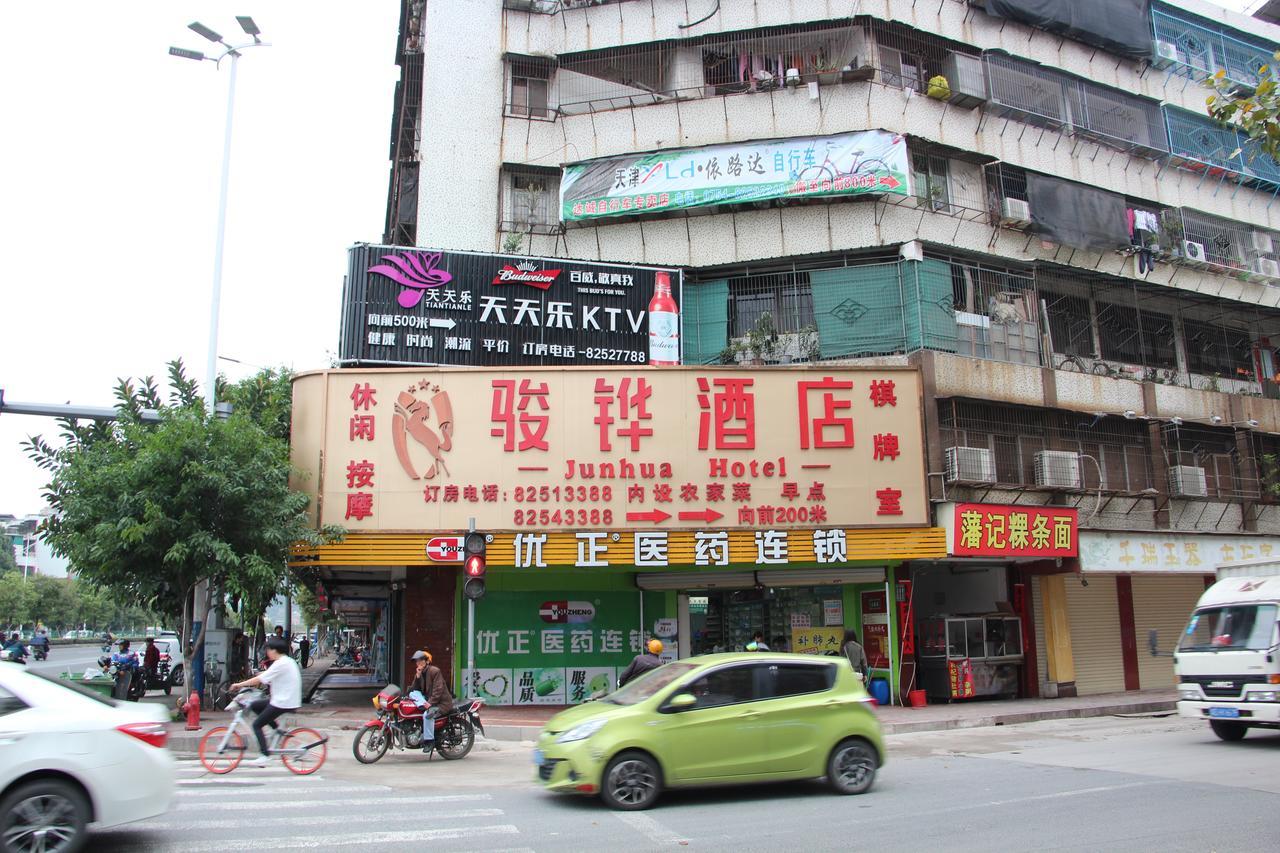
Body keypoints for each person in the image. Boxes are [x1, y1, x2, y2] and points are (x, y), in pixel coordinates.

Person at [230, 636, 302, 767]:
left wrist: (239, 685)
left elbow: (260, 680)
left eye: (268, 650)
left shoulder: (281, 663)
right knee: (255, 706)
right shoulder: (287, 661)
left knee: (257, 725)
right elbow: (268, 676)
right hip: (282, 699)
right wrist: (262, 675)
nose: (267, 652)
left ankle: (264, 755)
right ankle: (276, 730)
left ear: (274, 650)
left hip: (283, 702)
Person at [408, 650, 453, 754]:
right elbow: (414, 689)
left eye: (420, 661)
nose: (418, 663)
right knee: (412, 694)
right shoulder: (420, 672)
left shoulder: (434, 671)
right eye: (417, 661)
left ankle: (429, 741)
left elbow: (438, 689)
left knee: (427, 715)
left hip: (441, 703)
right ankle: (422, 705)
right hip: (428, 700)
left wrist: (431, 703)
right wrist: (418, 677)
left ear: (427, 661)